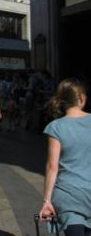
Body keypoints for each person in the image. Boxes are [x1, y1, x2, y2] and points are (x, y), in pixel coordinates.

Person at [39, 78, 91, 236]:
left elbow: (52, 167)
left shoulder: (56, 127)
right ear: (82, 98)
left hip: (69, 195)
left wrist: (47, 201)